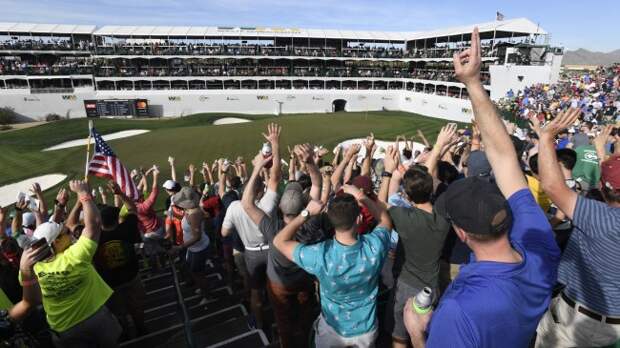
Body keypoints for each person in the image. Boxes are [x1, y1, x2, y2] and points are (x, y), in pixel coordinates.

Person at [402, 28, 561, 347]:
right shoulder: (539, 246)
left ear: (461, 233)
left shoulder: (459, 311)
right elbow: (504, 158)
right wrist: (474, 83)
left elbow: (502, 159)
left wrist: (417, 333)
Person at [534, 108, 620, 347]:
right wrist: (603, 152)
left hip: (579, 323)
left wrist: (546, 138)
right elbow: (612, 182)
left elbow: (551, 185)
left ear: (602, 188)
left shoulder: (598, 216)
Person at [274, 183, 392, 347]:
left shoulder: (319, 255)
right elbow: (385, 220)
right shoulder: (374, 246)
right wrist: (361, 196)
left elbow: (279, 241)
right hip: (366, 331)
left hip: (332, 331)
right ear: (359, 219)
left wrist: (305, 214)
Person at [379, 125, 452, 348]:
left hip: (405, 286)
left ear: (407, 196)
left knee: (399, 337)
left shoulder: (403, 217)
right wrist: (438, 147)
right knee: (422, 333)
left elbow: (382, 206)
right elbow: (426, 182)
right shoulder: (443, 217)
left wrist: (388, 172)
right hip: (432, 288)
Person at [242, 142, 320, 348]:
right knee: (305, 319)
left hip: (278, 285)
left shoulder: (271, 227)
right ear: (303, 206)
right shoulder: (311, 224)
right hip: (304, 280)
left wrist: (258, 167)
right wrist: (311, 164)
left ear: (281, 206)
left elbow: (247, 204)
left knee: (284, 323)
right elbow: (318, 186)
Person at [29, 180, 121, 347]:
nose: (68, 233)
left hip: (64, 330)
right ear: (56, 243)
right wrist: (84, 195)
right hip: (95, 318)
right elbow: (94, 224)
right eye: (64, 234)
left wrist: (61, 206)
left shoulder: (31, 267)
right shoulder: (76, 256)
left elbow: (47, 233)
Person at [221, 123, 280, 329]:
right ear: (259, 191)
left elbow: (224, 232)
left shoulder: (235, 206)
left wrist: (256, 168)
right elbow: (275, 178)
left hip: (251, 253)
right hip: (271, 250)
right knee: (274, 288)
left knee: (256, 292)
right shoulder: (267, 204)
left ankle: (259, 325)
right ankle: (278, 323)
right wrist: (275, 143)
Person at [94, 181, 147, 337]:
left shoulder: (93, 238)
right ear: (117, 219)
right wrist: (120, 193)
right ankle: (141, 329)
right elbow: (132, 208)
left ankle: (124, 333)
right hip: (131, 276)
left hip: (110, 283)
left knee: (118, 311)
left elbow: (71, 225)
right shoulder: (127, 228)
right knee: (136, 306)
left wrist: (82, 200)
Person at [169, 186, 212, 305]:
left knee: (198, 274)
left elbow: (196, 237)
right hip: (194, 248)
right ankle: (203, 289)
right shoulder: (191, 210)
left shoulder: (194, 214)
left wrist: (179, 247)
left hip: (198, 249)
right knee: (194, 271)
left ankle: (207, 295)